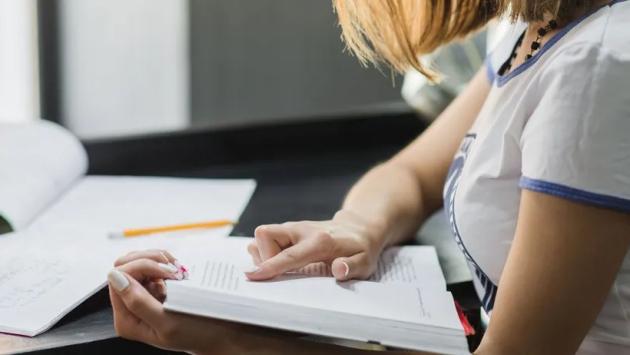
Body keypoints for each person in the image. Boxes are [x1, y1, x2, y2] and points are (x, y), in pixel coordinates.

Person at [107, 0, 630, 353]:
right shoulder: (536, 27)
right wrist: (356, 227)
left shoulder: (597, 65)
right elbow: (413, 174)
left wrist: (235, 341)